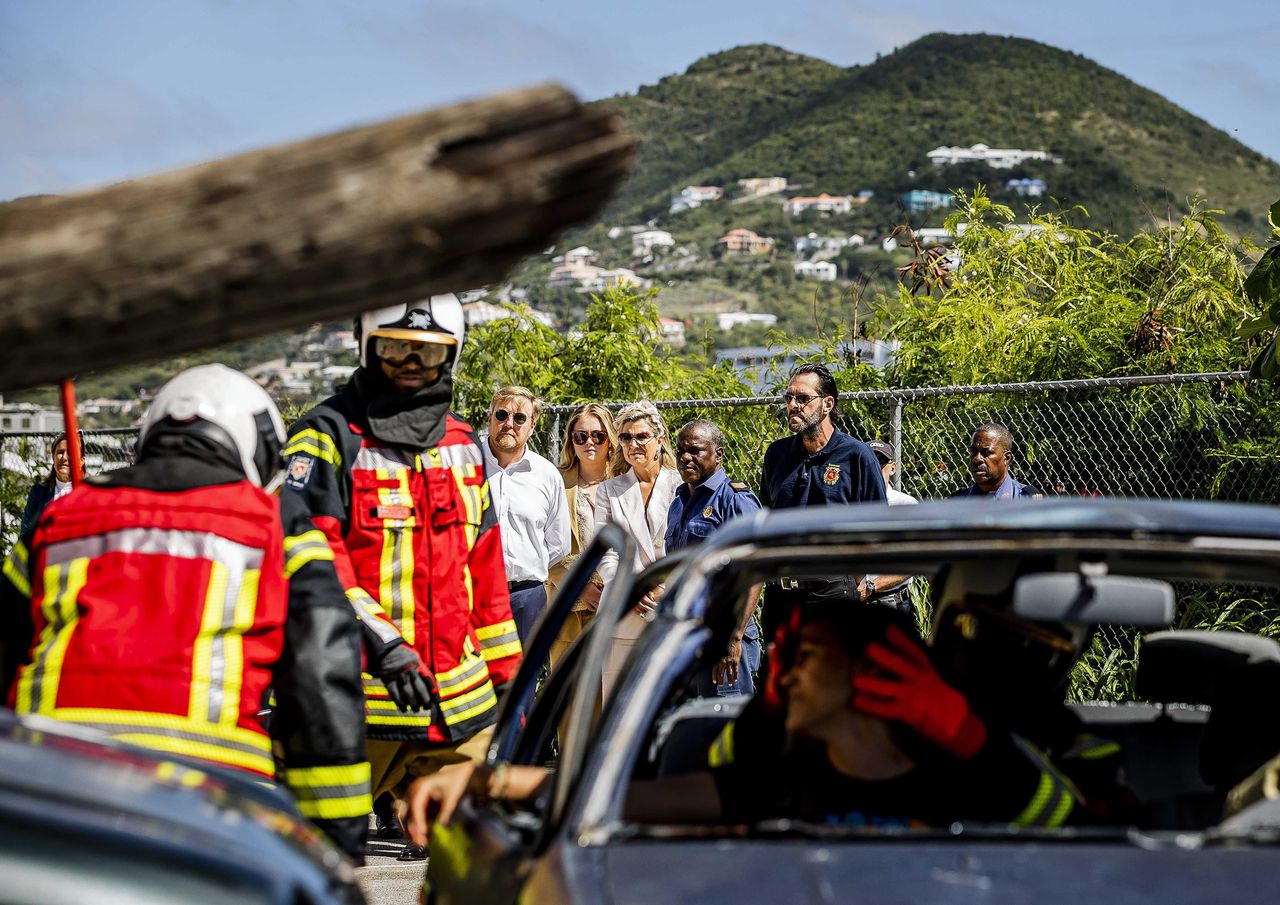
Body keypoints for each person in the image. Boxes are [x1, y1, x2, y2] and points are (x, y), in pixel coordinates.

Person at [0, 365, 369, 860]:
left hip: (51, 786)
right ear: (256, 449)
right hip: (212, 798)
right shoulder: (276, 525)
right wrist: (334, 843)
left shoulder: (60, 518)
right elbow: (321, 676)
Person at [404, 603, 1086, 838]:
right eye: (781, 651)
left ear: (874, 672)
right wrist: (489, 782)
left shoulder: (968, 777)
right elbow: (610, 794)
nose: (780, 670)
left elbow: (1095, 841)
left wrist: (967, 734)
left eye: (806, 654)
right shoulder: (775, 780)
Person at [282, 296, 521, 861]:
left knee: (477, 862)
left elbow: (485, 574)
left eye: (428, 352)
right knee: (317, 862)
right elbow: (311, 555)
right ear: (368, 347)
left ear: (453, 355)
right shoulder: (326, 436)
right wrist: (384, 644)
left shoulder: (464, 444)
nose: (412, 363)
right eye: (395, 348)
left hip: (459, 707)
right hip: (359, 699)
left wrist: (508, 676)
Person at [759, 364, 886, 631]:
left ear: (827, 404)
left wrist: (858, 582)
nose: (793, 405)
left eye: (803, 398)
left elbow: (878, 526)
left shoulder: (856, 456)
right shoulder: (777, 455)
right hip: (781, 598)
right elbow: (765, 520)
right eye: (789, 398)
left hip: (832, 593)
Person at [666, 419, 763, 697]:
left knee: (726, 729)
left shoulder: (735, 500)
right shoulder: (679, 502)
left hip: (724, 635)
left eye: (695, 451)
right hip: (689, 635)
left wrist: (733, 639)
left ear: (718, 455)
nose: (685, 457)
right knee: (694, 729)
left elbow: (753, 572)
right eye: (681, 450)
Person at [595, 401, 681, 697]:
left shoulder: (681, 485)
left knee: (664, 703)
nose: (633, 444)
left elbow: (688, 545)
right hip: (623, 611)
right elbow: (606, 552)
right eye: (626, 437)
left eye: (641, 436)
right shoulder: (609, 490)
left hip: (670, 607)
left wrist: (663, 587)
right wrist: (633, 590)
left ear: (660, 439)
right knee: (617, 705)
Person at [482, 386, 570, 645]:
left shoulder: (546, 474)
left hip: (527, 599)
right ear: (490, 418)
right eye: (501, 415)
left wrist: (524, 565)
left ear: (532, 425)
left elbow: (559, 543)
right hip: (473, 594)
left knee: (523, 683)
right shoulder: (466, 464)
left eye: (519, 418)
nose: (509, 424)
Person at [547, 403, 619, 669]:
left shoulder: (626, 481)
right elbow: (544, 546)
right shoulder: (555, 482)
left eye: (598, 435)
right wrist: (581, 586)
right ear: (571, 441)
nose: (590, 442)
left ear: (609, 439)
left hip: (618, 605)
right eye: (581, 435)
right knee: (568, 697)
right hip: (568, 604)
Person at [857, 440, 918, 614]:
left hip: (892, 602)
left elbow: (915, 561)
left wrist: (872, 586)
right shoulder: (849, 504)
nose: (873, 468)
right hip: (850, 599)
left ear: (892, 468)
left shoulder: (906, 505)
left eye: (879, 462)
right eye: (868, 463)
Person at [952, 423, 1044, 499]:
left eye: (986, 452)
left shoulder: (1027, 499)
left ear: (1007, 458)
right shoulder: (957, 501)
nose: (977, 459)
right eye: (973, 452)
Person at [19, 432, 84, 537]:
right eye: (60, 452)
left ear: (81, 461)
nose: (64, 457)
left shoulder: (90, 494)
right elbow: (25, 534)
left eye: (71, 452)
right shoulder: (38, 493)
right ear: (53, 458)